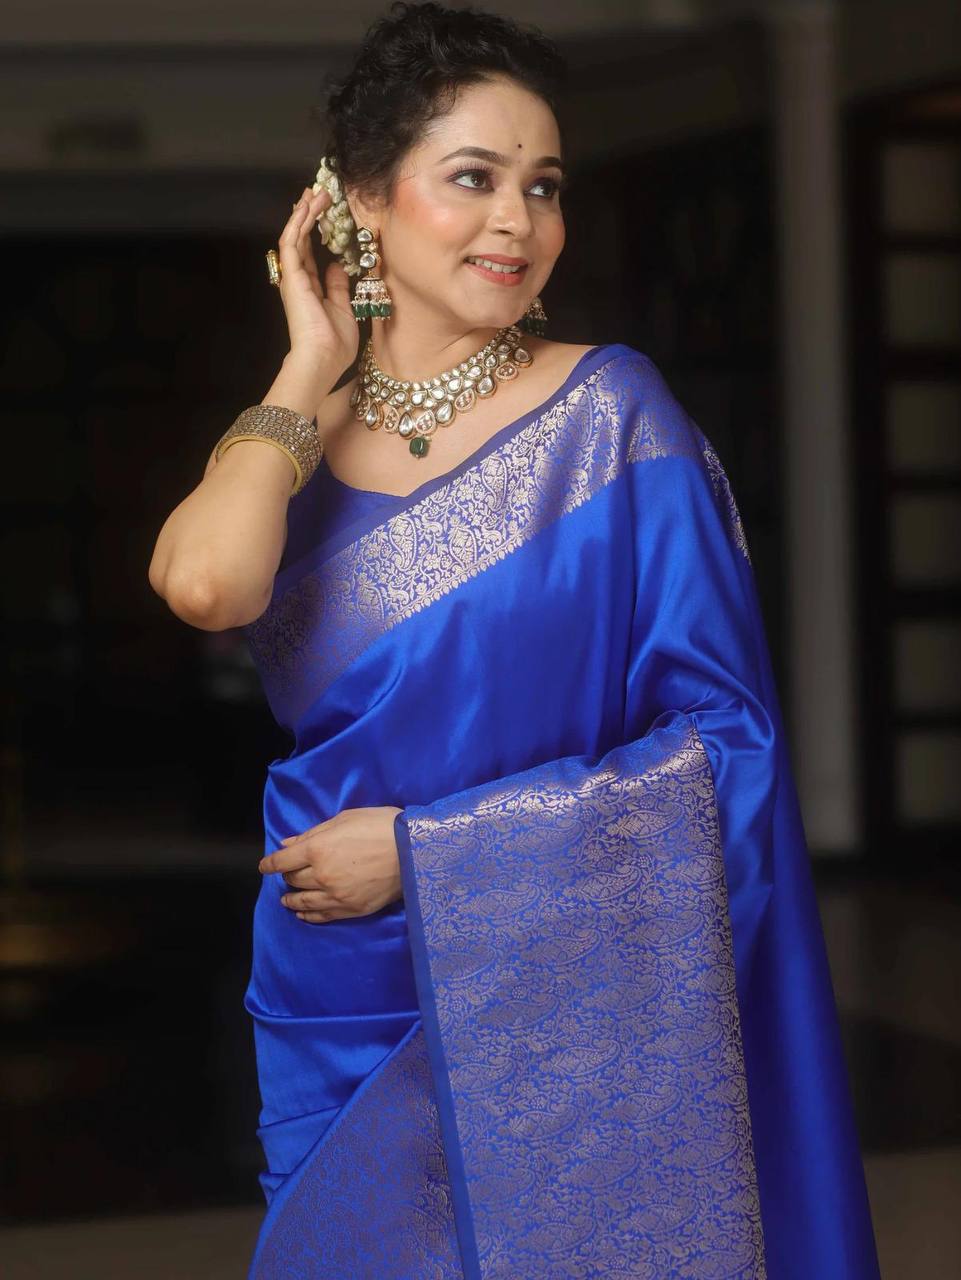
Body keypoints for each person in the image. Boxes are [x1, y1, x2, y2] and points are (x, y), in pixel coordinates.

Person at [148, 3, 882, 1276]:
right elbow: (207, 587)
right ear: (359, 203)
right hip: (338, 980)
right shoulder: (285, 443)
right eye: (473, 178)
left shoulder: (612, 417)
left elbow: (728, 751)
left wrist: (428, 854)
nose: (517, 221)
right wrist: (306, 366)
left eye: (543, 186)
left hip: (557, 978)